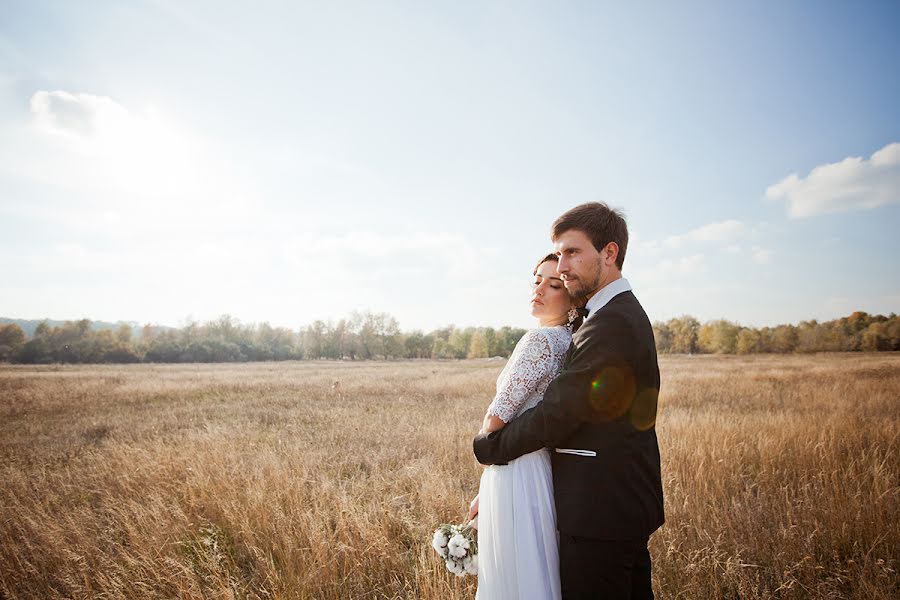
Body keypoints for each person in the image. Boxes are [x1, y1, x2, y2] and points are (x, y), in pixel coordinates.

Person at [473, 202, 664, 600]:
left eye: (572, 252)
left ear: (609, 253)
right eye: (559, 254)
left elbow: (562, 409)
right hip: (613, 505)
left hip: (602, 510)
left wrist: (490, 448)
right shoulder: (606, 316)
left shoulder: (612, 322)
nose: (562, 265)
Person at [468, 253, 578, 600]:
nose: (540, 289)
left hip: (514, 472)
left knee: (511, 575)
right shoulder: (569, 342)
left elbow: (496, 419)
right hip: (542, 471)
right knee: (534, 568)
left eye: (554, 284)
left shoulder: (539, 341)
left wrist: (486, 475)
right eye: (537, 280)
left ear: (573, 298)